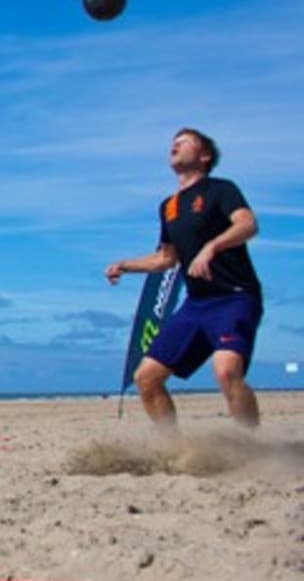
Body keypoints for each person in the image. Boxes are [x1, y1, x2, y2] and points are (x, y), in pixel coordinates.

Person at [105, 128, 263, 429]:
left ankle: (250, 444)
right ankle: (172, 447)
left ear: (204, 156)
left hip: (235, 296)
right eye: (172, 143)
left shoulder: (220, 189)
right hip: (196, 305)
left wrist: (212, 246)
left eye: (184, 142)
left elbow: (248, 225)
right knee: (146, 378)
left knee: (226, 370)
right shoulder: (169, 206)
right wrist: (125, 265)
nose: (174, 145)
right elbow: (166, 258)